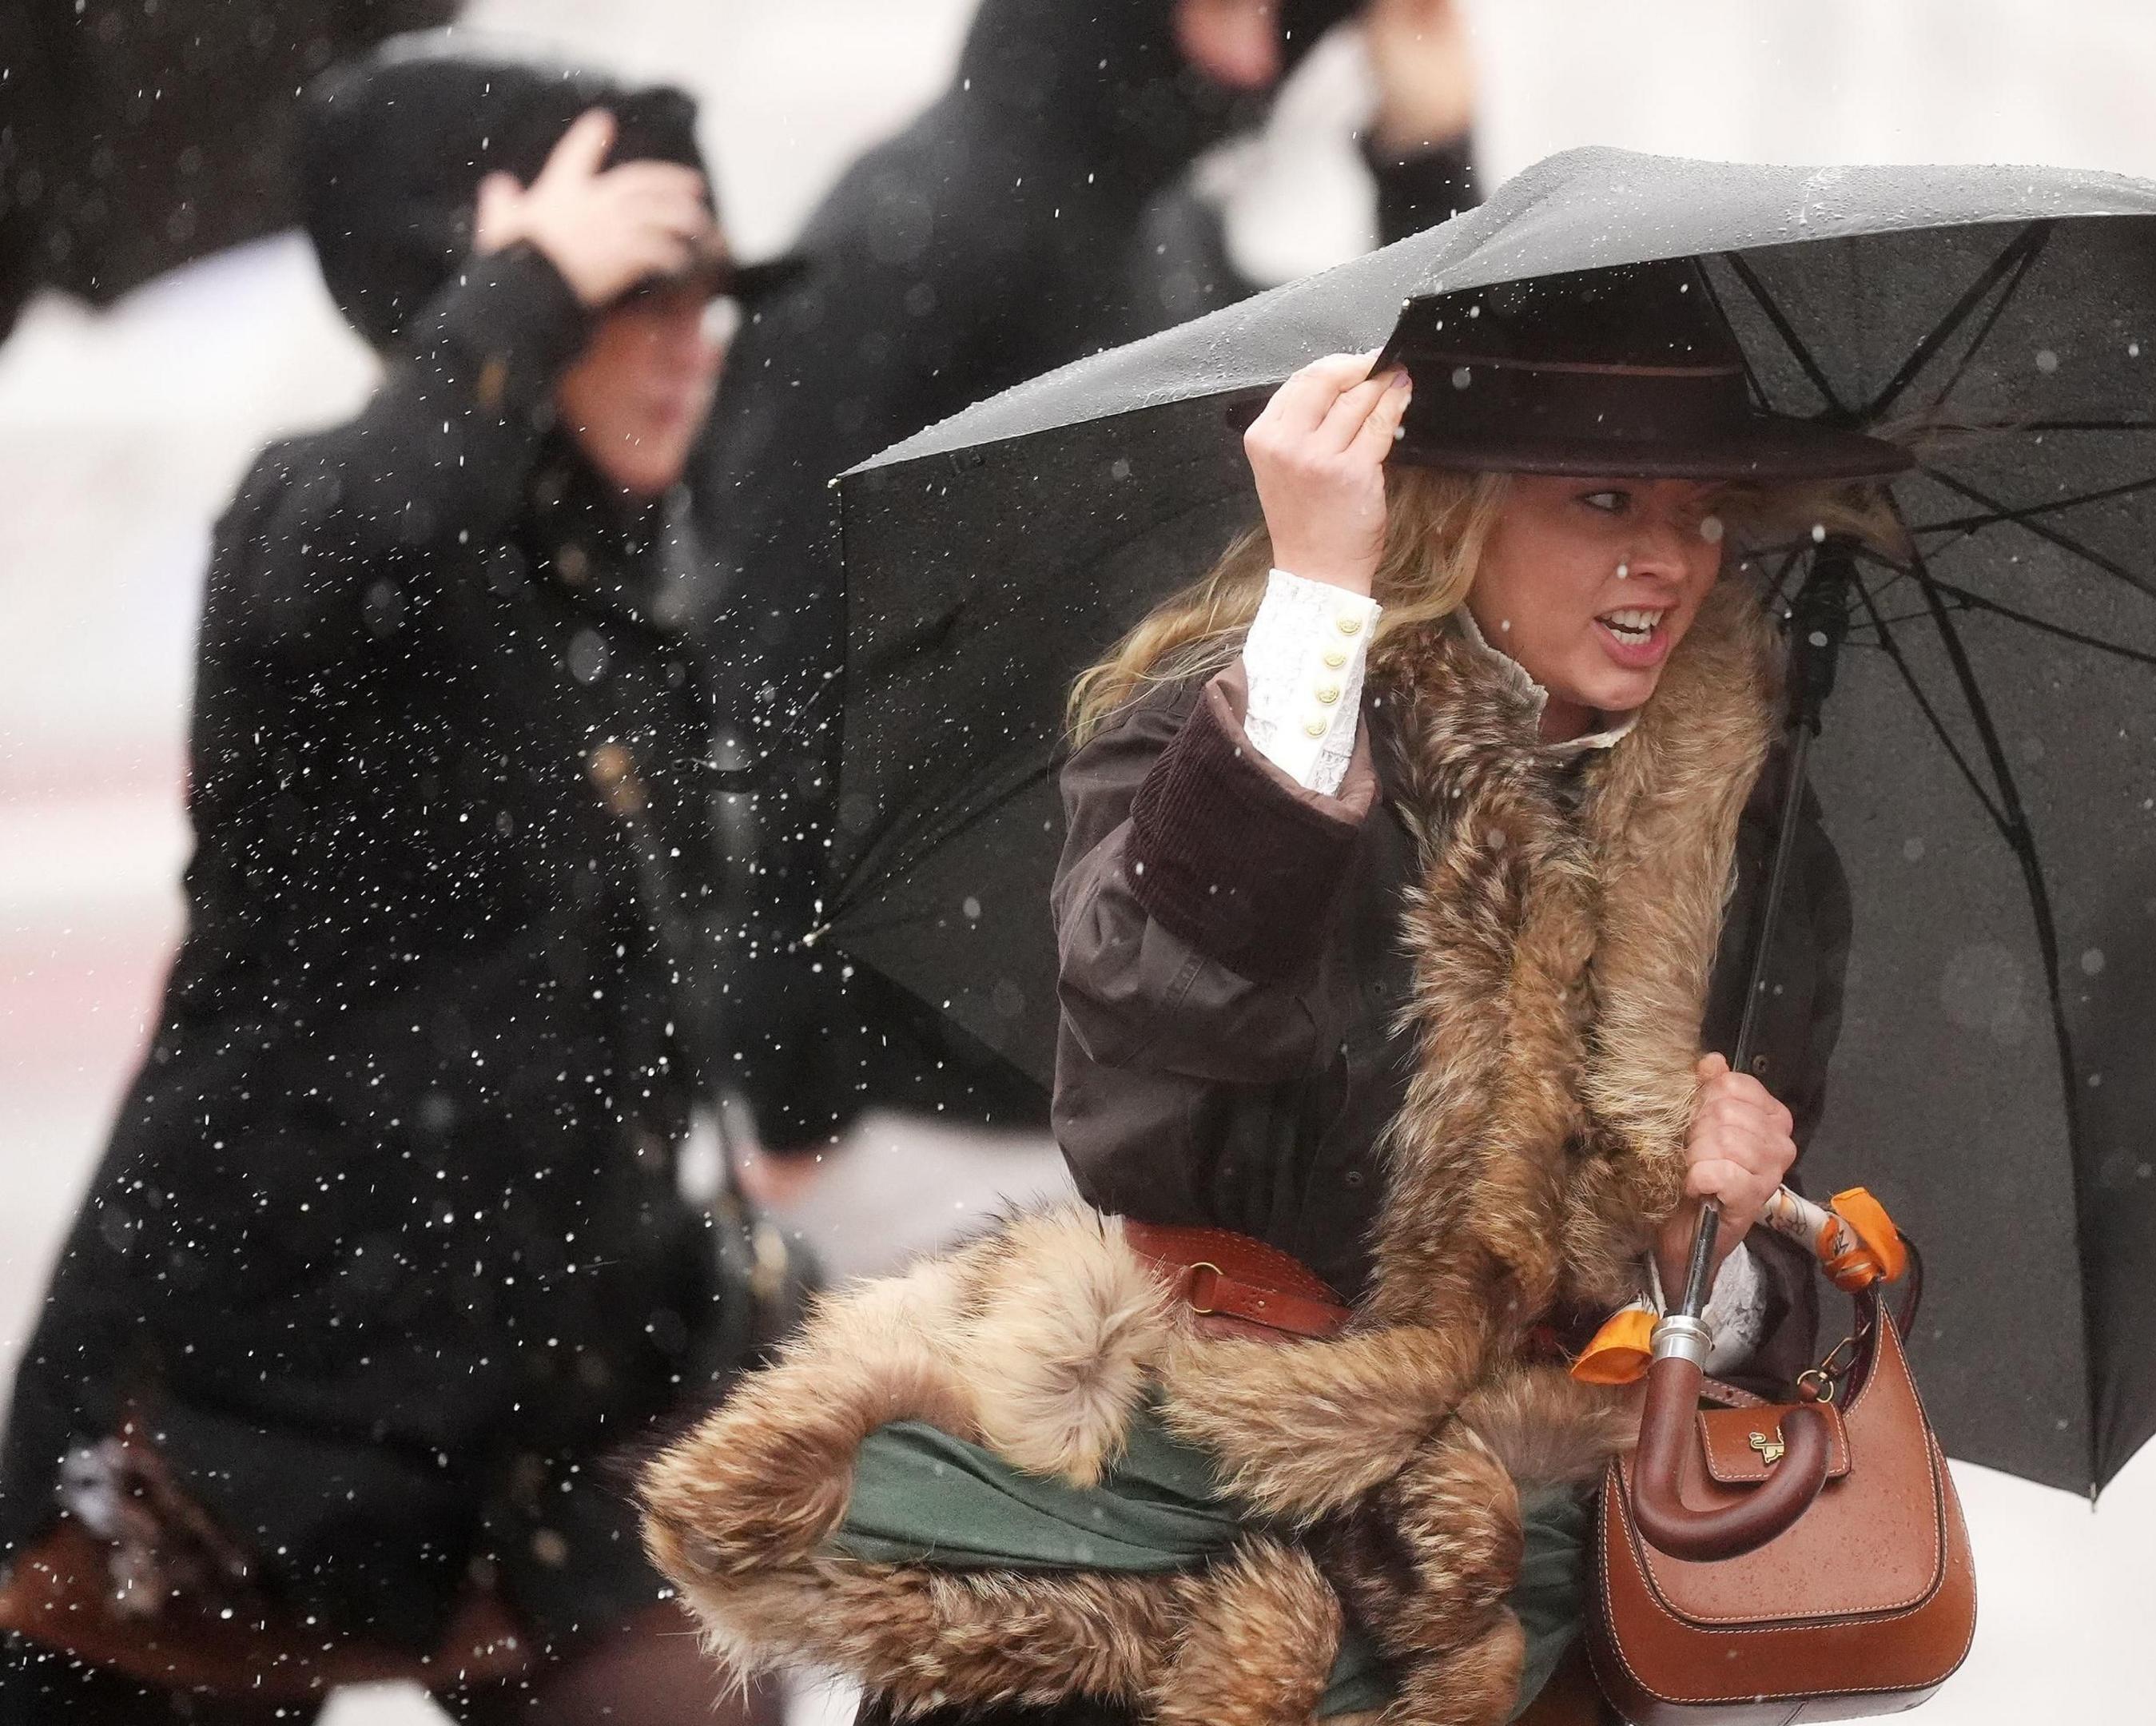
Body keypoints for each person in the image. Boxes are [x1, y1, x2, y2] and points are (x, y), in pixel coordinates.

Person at [638, 262, 1910, 1723]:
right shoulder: (1239, 722)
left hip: (1519, 1588)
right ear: (1455, 501)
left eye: (1697, 513)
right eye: (1604, 503)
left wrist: (1727, 1248)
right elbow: (1152, 1035)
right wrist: (1318, 595)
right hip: (1164, 1537)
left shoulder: (1752, 833)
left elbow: (1785, 1278)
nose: (1669, 561)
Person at [0, 38, 804, 1726]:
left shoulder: (627, 593)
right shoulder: (319, 513)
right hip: (240, 1404)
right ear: (484, 282)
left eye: (707, 295)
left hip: (554, 1405)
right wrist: (519, 293)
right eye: (634, 293)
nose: (689, 343)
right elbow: (363, 543)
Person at [686, 0, 1481, 1156]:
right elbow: (774, 654)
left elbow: (1393, 428)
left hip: (1092, 1054)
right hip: (906, 1100)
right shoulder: (927, 231)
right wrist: (788, 1086)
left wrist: (1424, 160)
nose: (1264, 57)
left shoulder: (1157, 228)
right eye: (1235, 9)